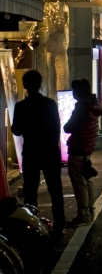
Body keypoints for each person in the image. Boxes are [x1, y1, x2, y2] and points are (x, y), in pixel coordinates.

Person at [11, 69, 66, 233]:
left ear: (25, 85)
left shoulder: (21, 107)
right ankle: (59, 223)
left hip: (31, 152)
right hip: (49, 151)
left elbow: (16, 130)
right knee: (55, 189)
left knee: (30, 191)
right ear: (40, 84)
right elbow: (57, 127)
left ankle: (32, 225)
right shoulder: (50, 104)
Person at [64, 79, 102, 227]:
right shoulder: (93, 105)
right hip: (87, 147)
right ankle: (89, 211)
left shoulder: (81, 108)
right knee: (86, 179)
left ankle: (83, 214)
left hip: (78, 148)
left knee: (79, 181)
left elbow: (68, 127)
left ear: (78, 92)